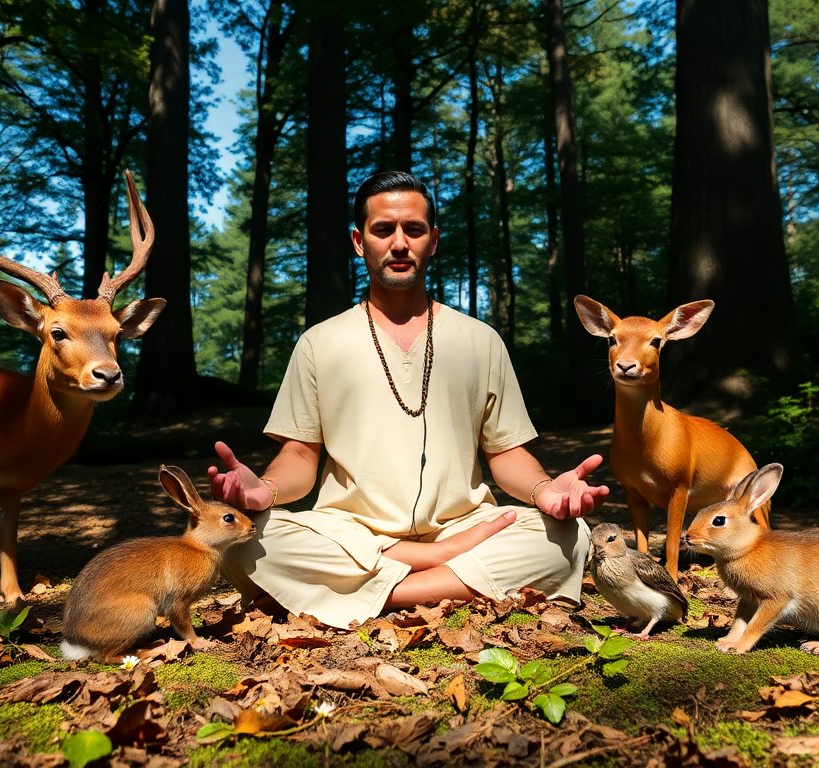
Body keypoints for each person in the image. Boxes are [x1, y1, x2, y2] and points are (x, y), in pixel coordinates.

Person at [209, 170, 609, 629]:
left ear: (433, 241)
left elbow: (506, 452)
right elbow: (300, 454)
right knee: (245, 539)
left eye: (414, 229)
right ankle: (446, 575)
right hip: (352, 535)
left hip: (465, 528)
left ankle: (378, 594)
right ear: (360, 242)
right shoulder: (320, 343)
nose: (399, 243)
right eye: (383, 230)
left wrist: (545, 491)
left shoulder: (481, 340)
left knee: (566, 534)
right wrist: (267, 489)